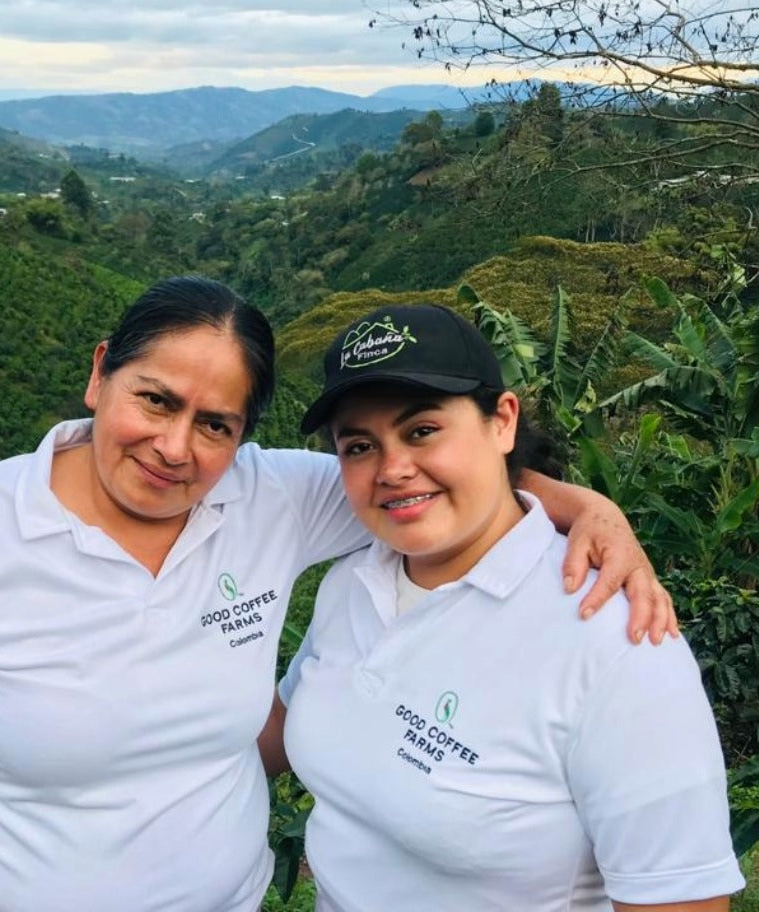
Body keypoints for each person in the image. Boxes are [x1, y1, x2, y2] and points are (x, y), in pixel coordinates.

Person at [0, 279, 675, 912]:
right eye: (155, 400)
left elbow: (424, 482)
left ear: (245, 437)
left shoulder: (272, 497)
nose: (175, 447)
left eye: (216, 424)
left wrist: (585, 507)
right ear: (100, 374)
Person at [269, 303, 743, 911]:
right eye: (359, 446)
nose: (392, 469)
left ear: (503, 422)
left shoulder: (613, 640)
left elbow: (680, 900)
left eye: (422, 431)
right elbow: (281, 725)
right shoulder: (354, 579)